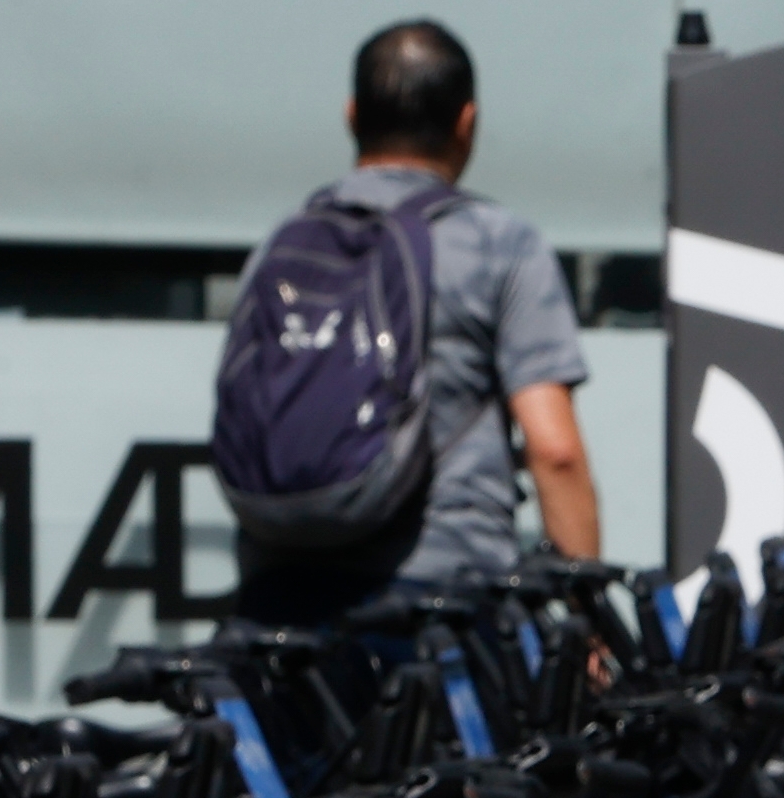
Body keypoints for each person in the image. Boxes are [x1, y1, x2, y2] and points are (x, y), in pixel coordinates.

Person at [227, 19, 595, 625]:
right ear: (467, 123)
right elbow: (554, 450)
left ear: (351, 116)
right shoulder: (498, 243)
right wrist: (586, 622)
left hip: (281, 601)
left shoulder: (283, 242)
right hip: (440, 602)